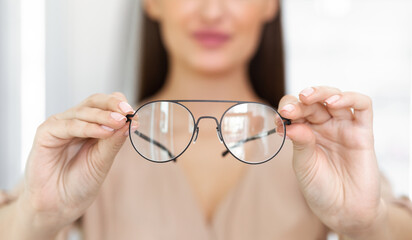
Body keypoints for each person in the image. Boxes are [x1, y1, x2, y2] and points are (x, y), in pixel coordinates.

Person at [1, 0, 412, 239]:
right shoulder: (94, 147)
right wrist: (35, 216)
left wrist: (367, 224)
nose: (213, 11)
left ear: (271, 3)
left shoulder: (318, 147)